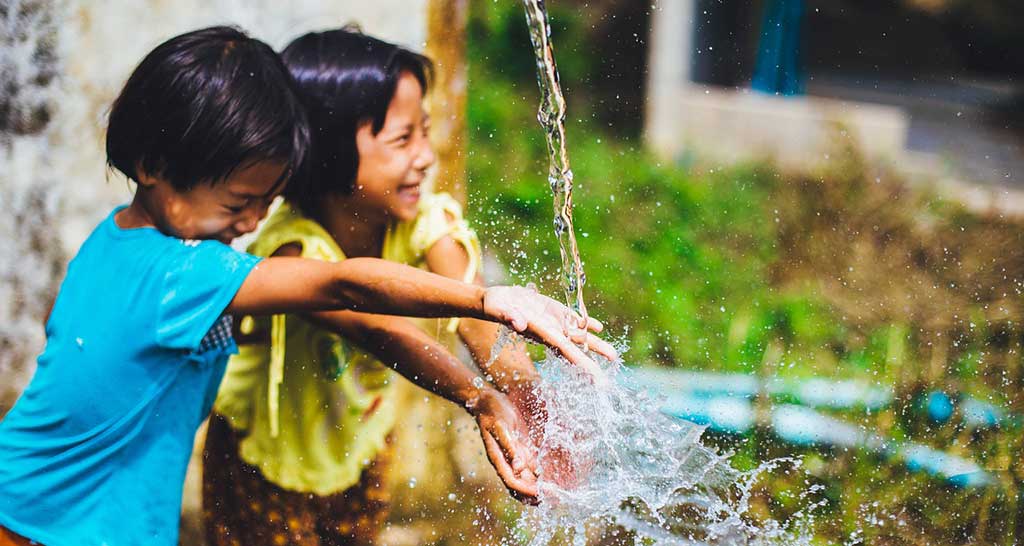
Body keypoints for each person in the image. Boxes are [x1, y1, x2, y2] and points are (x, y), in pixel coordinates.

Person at [0, 26, 609, 546]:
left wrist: (511, 393)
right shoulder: (179, 273)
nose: (251, 223)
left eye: (264, 202)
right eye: (239, 202)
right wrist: (486, 300)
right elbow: (349, 290)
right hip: (47, 526)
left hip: (58, 509)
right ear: (154, 167)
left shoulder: (120, 242)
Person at [201, 27, 614, 546]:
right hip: (263, 456)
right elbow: (380, 329)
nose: (424, 155)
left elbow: (474, 318)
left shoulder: (419, 222)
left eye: (424, 131)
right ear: (328, 151)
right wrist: (476, 396)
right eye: (402, 139)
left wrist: (529, 400)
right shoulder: (292, 249)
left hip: (363, 440)